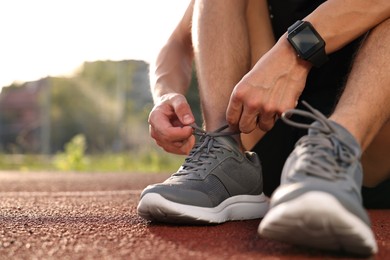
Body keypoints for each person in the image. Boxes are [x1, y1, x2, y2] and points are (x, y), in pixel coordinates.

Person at [137, 0, 390, 256]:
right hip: (266, 131)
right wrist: (165, 95)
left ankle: (335, 150)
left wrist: (293, 52)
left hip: (371, 148)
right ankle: (225, 150)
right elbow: (177, 43)